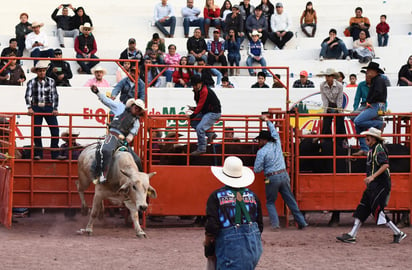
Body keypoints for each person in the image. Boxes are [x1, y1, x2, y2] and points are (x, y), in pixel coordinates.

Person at [337, 127, 407, 244]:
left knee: (377, 210)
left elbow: (385, 165)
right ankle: (352, 234)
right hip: (374, 184)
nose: (365, 139)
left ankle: (398, 232)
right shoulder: (373, 149)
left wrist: (372, 176)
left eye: (368, 137)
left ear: (374, 139)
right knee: (363, 207)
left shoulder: (378, 149)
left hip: (380, 184)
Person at [204, 156, 263, 269]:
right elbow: (260, 225)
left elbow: (212, 227)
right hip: (253, 248)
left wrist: (208, 246)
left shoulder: (216, 196)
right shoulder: (253, 196)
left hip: (229, 249)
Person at [254, 114, 308, 230]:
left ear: (263, 140)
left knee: (270, 202)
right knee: (290, 199)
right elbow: (274, 131)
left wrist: (264, 165)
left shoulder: (261, 152)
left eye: (259, 140)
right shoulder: (277, 143)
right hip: (283, 174)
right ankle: (302, 222)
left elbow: (257, 169)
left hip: (271, 177)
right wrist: (267, 121)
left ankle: (275, 224)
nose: (258, 142)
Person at [90, 86, 146, 183]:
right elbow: (107, 101)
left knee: (136, 160)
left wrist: (126, 141)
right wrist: (98, 92)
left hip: (121, 140)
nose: (136, 109)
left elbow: (131, 136)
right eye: (136, 107)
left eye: (139, 109)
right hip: (112, 135)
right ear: (132, 105)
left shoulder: (136, 122)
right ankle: (100, 174)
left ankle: (140, 181)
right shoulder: (120, 107)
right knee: (106, 150)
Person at [24, 61, 60, 160]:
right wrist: (29, 107)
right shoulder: (31, 82)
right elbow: (27, 96)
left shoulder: (51, 81)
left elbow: (55, 96)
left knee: (55, 130)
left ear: (45, 71)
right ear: (37, 72)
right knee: (36, 131)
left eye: (43, 71)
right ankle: (39, 154)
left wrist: (55, 108)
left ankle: (55, 154)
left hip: (48, 107)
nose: (42, 73)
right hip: (36, 107)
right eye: (40, 71)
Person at [353, 62, 387, 156]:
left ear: (374, 71)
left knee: (357, 121)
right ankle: (364, 148)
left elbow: (378, 93)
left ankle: (379, 124)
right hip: (376, 105)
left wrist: (369, 101)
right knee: (358, 124)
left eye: (369, 70)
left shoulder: (378, 80)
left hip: (376, 105)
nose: (367, 72)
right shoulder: (377, 80)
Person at [187, 75, 221, 156]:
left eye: (194, 85)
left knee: (199, 128)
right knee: (194, 123)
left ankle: (202, 148)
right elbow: (202, 105)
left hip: (213, 112)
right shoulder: (201, 90)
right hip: (208, 112)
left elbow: (201, 105)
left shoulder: (204, 91)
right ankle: (210, 134)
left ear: (199, 84)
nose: (193, 86)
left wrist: (192, 115)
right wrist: (195, 109)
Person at [319, 68, 346, 147]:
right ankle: (327, 143)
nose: (327, 78)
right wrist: (325, 110)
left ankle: (340, 142)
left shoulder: (339, 85)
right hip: (328, 105)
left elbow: (340, 99)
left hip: (337, 105)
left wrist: (339, 110)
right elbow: (324, 99)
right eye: (326, 76)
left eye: (329, 76)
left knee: (340, 122)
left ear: (333, 77)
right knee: (326, 123)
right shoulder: (322, 85)